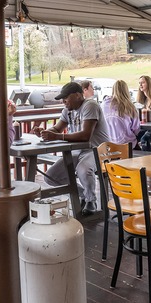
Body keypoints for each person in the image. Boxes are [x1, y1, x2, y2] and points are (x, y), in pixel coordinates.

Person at [32, 82, 109, 216]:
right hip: (77, 151)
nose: (63, 101)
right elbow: (56, 128)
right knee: (51, 176)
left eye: (66, 98)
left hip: (97, 149)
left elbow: (85, 135)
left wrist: (57, 136)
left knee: (83, 169)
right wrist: (45, 132)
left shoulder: (90, 105)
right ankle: (84, 194)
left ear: (78, 95)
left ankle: (91, 201)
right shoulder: (67, 111)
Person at [101, 80, 141, 148]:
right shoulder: (130, 107)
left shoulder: (103, 105)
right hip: (128, 146)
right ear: (126, 91)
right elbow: (136, 129)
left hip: (109, 146)